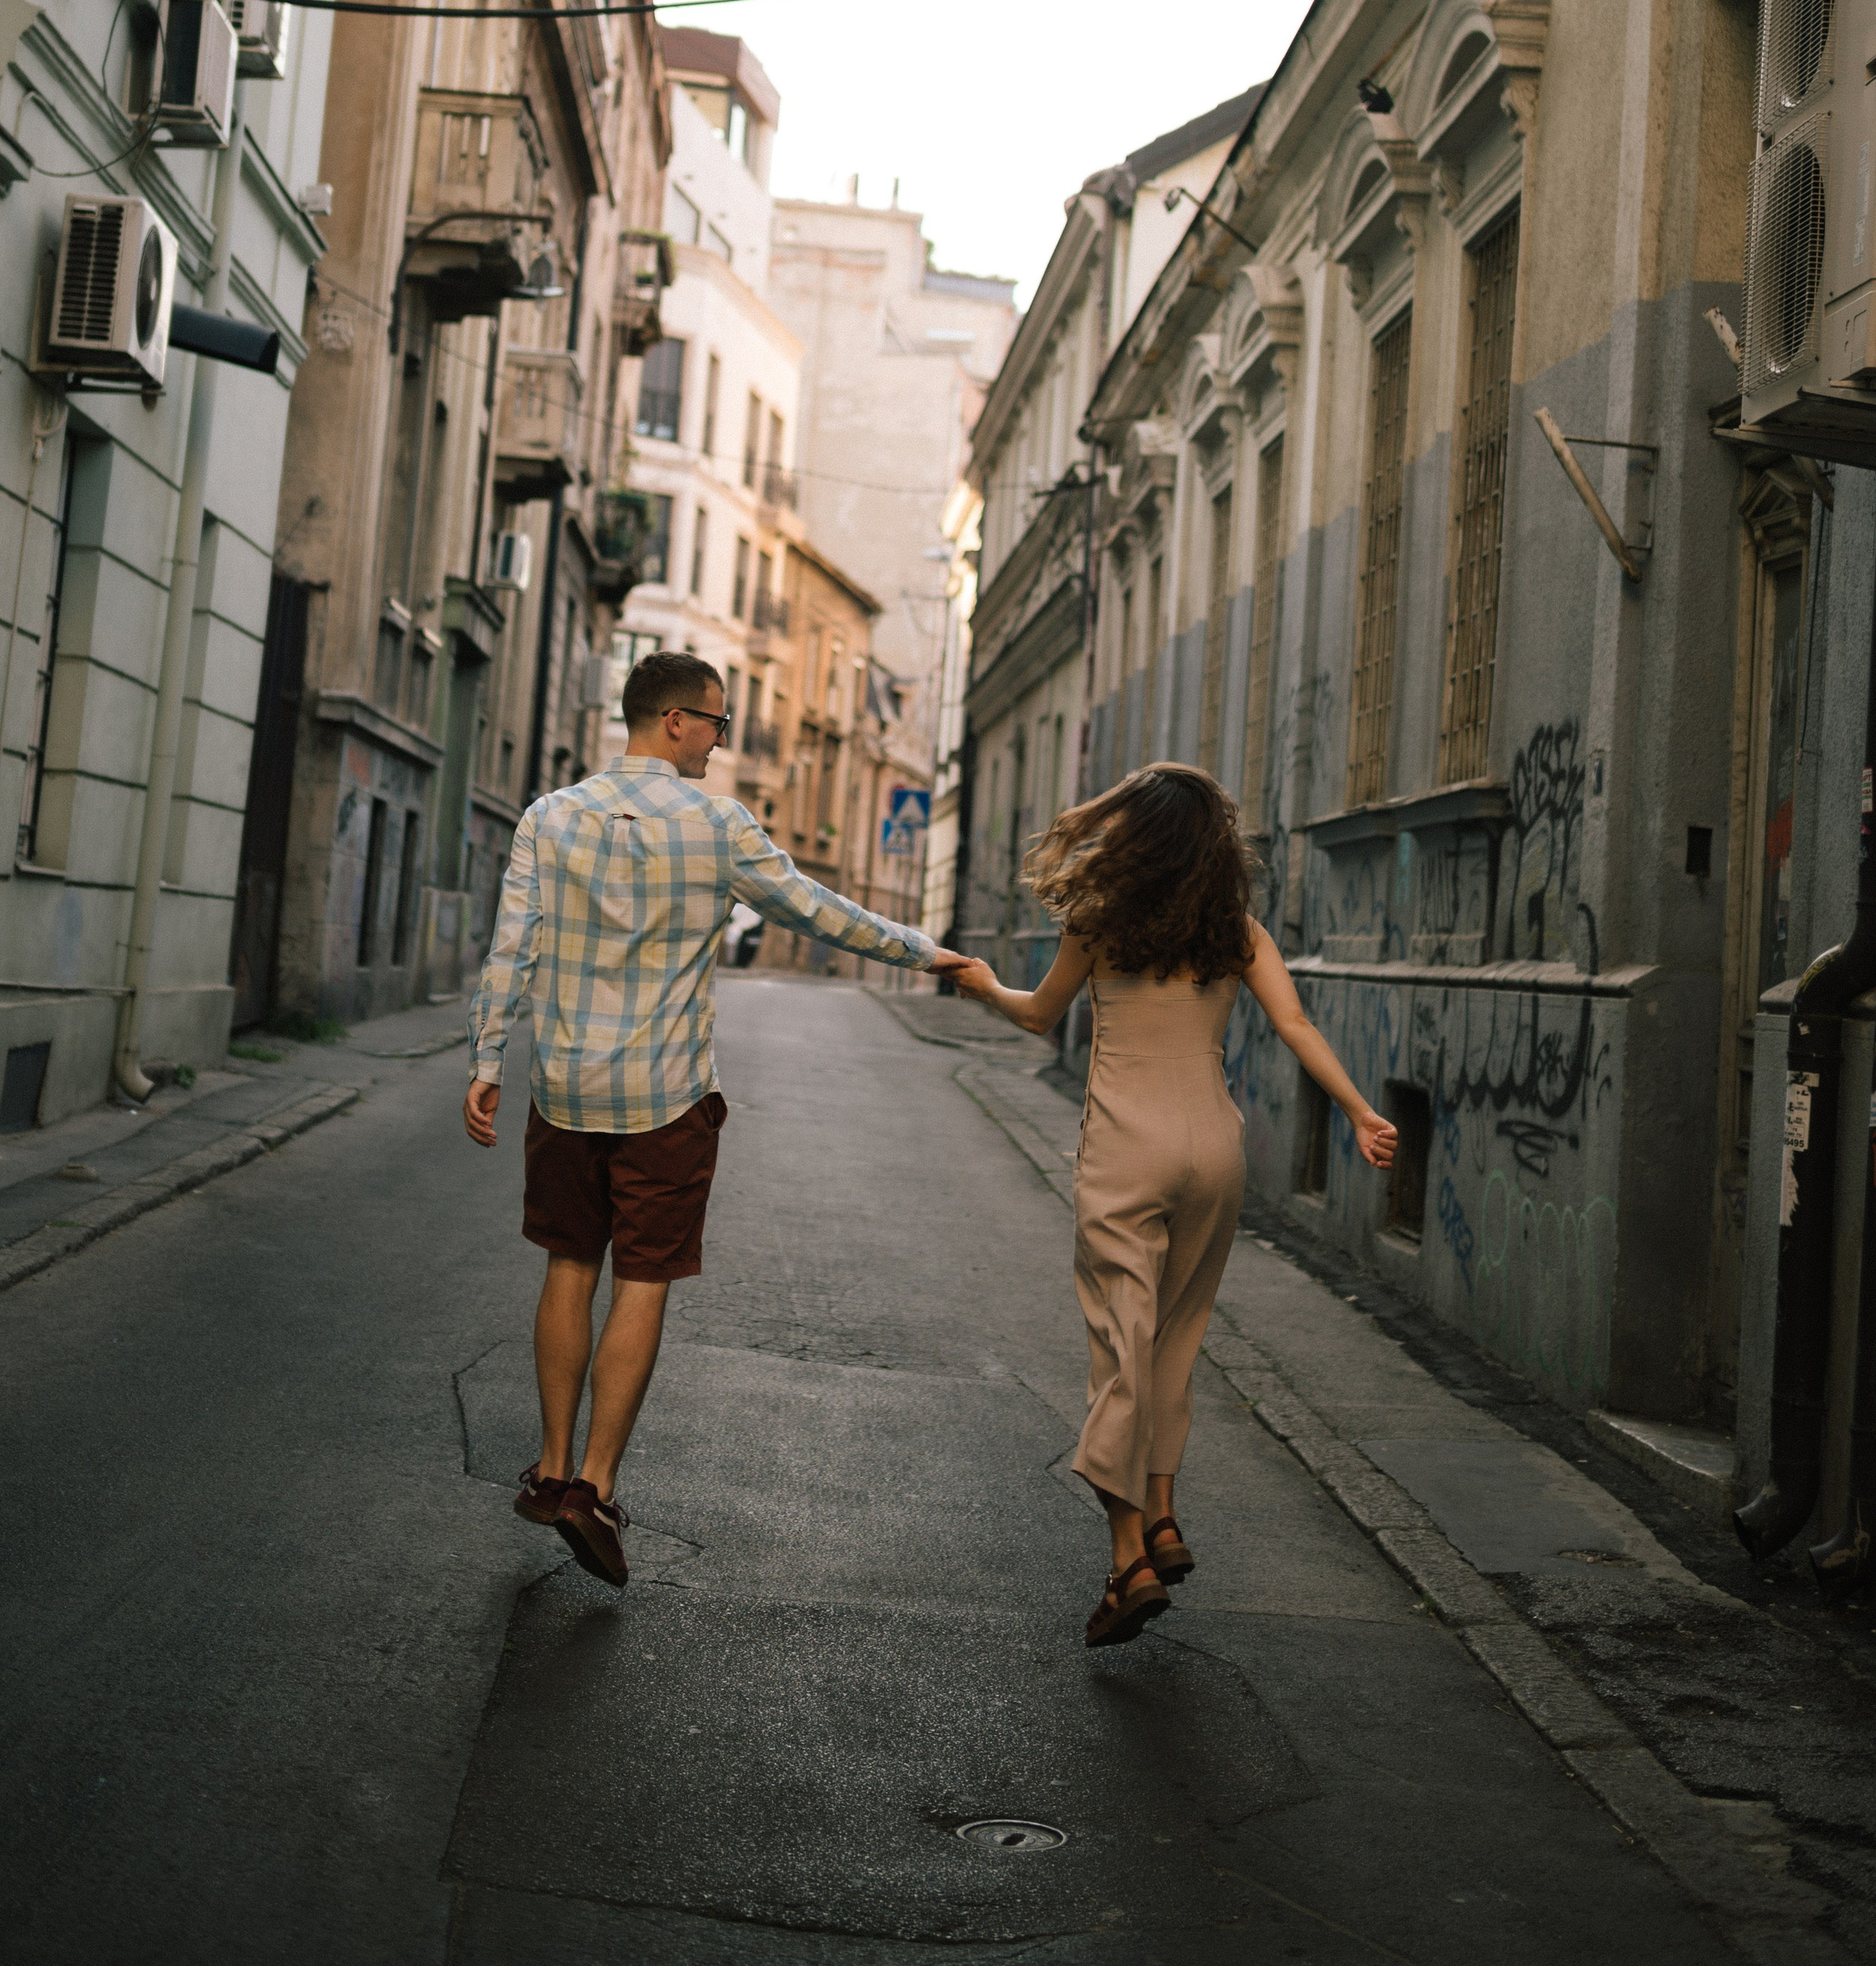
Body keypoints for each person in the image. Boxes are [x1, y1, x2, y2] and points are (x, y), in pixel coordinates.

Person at [464, 648, 977, 1590]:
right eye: (715, 722)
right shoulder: (718, 825)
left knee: (569, 1266)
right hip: (664, 1095)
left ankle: (547, 1465)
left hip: (568, 1088)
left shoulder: (548, 815)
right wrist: (924, 952)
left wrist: (487, 1058)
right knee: (644, 1279)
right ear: (672, 720)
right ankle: (596, 1486)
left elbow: (512, 945)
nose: (719, 739)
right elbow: (818, 911)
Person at [953, 762, 1396, 1650]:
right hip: (1215, 1152)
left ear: (1134, 834)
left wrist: (977, 980)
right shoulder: (1236, 928)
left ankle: (1128, 1563)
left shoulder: (1099, 923)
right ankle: (1160, 1513)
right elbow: (1296, 1024)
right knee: (1174, 1342)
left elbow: (1039, 1016)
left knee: (1122, 1347)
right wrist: (1358, 1108)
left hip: (1127, 1151)